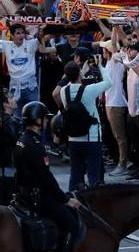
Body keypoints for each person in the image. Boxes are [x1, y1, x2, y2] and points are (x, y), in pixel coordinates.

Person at [15, 101, 83, 252]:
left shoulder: (22, 139)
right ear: (37, 120)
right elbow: (46, 179)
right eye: (45, 118)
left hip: (24, 193)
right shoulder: (35, 145)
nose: (46, 122)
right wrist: (66, 199)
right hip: (38, 197)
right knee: (72, 224)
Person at [59, 58, 112, 190]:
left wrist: (77, 71)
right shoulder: (89, 90)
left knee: (75, 175)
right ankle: (94, 204)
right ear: (80, 74)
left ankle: (74, 203)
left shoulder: (63, 91)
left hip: (73, 139)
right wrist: (100, 65)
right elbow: (108, 82)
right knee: (94, 176)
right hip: (91, 138)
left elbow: (71, 80)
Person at [0, 90, 18, 205]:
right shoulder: (10, 122)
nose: (15, 100)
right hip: (7, 170)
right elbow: (15, 141)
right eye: (11, 98)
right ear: (5, 104)